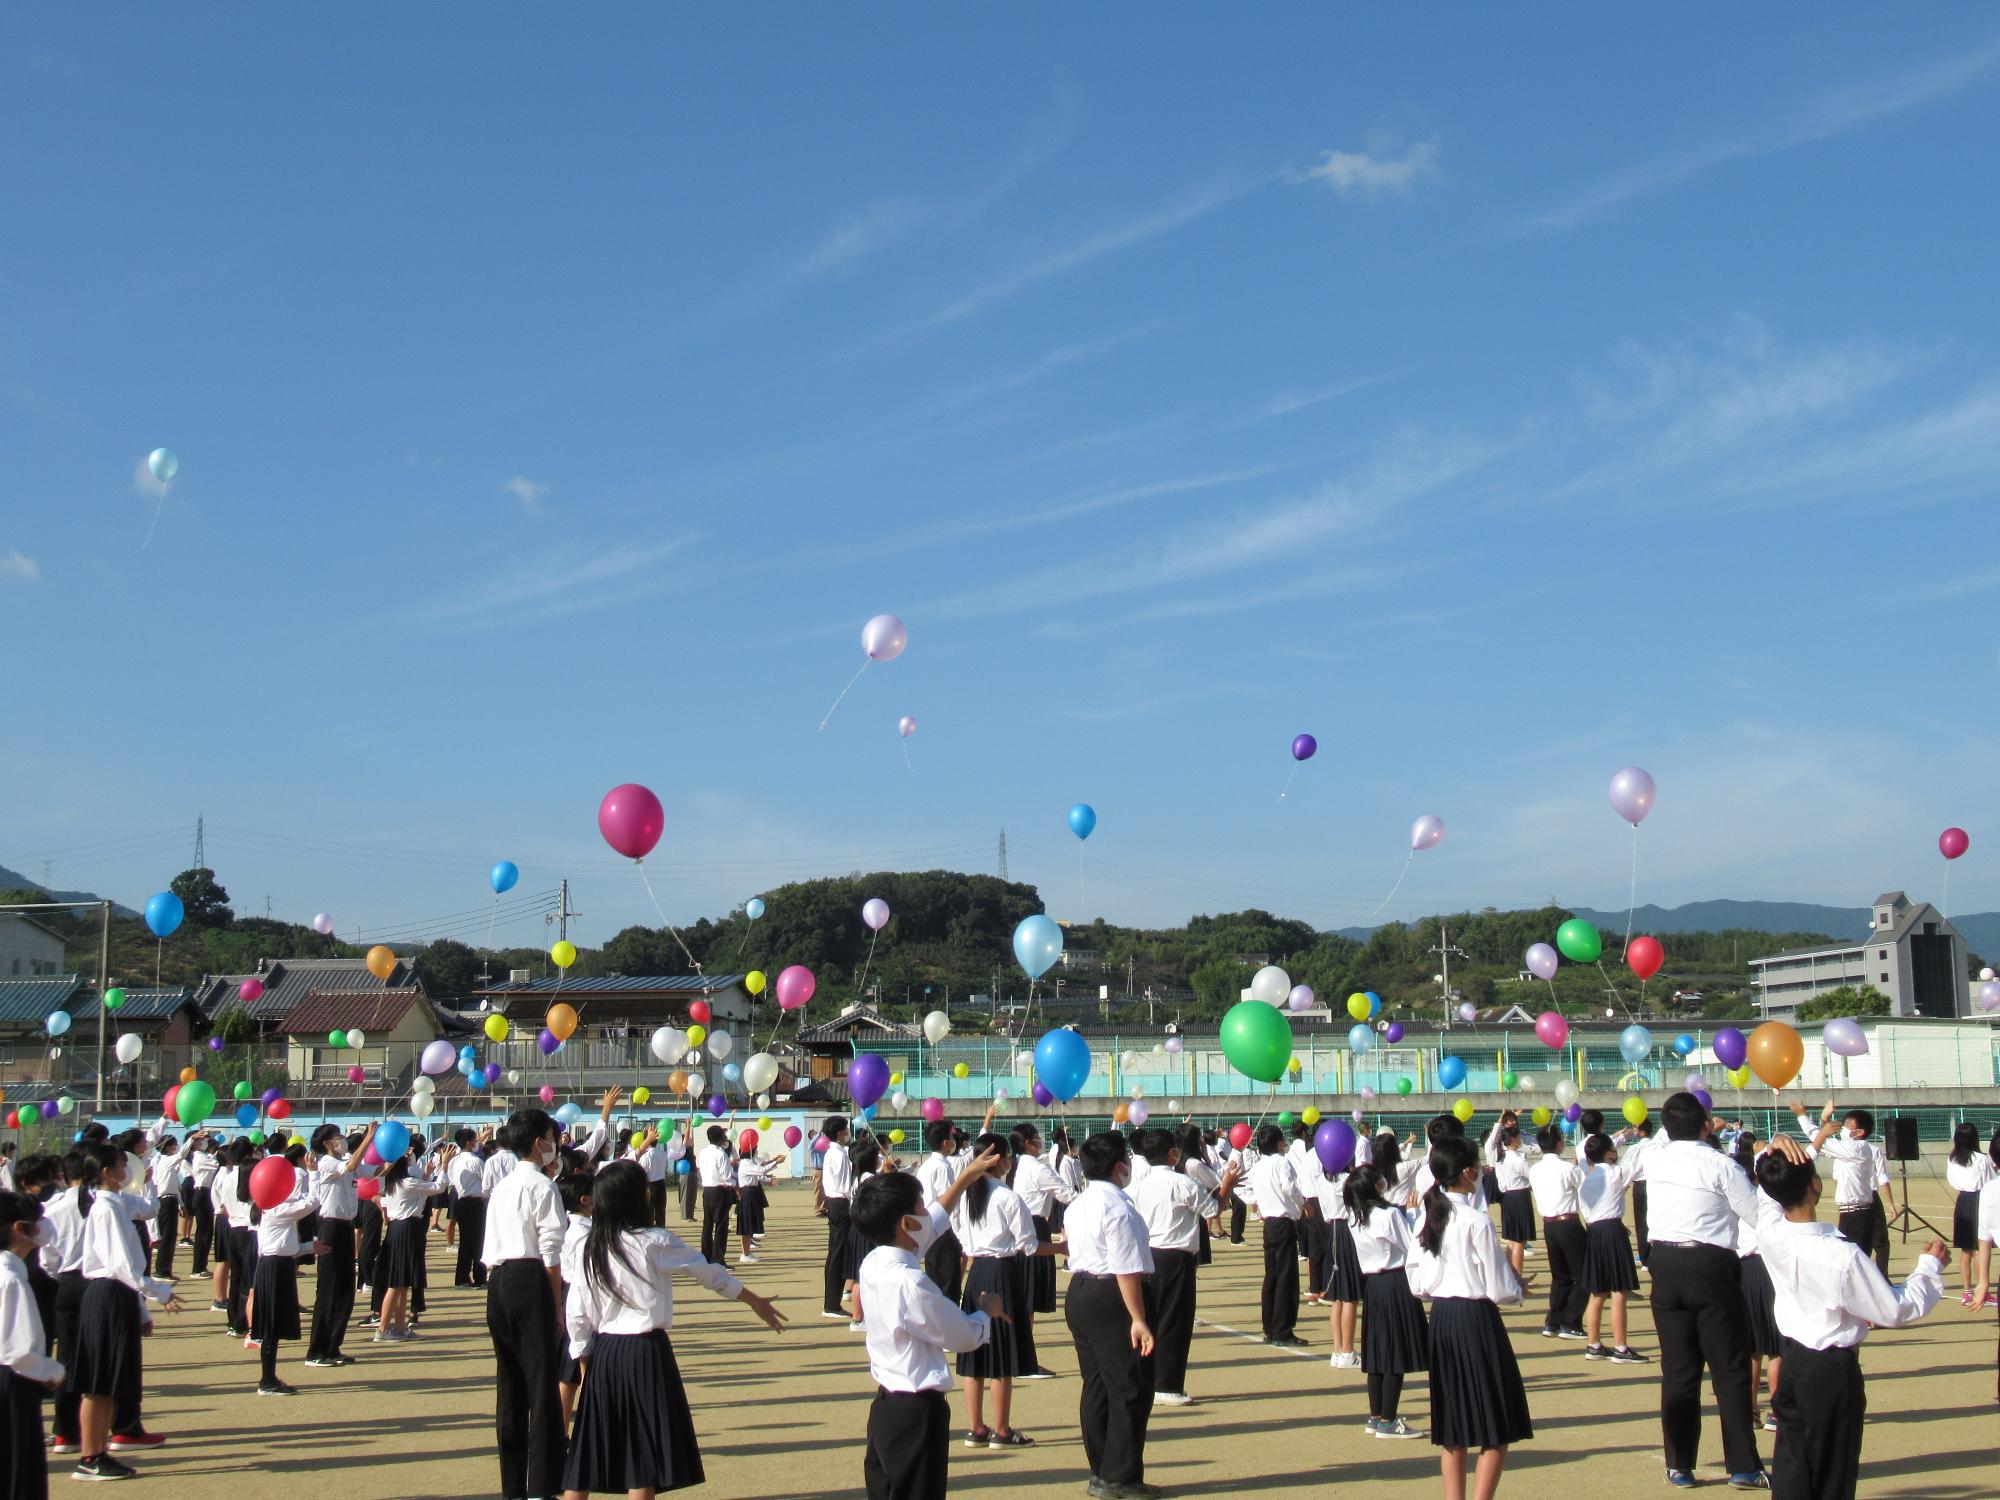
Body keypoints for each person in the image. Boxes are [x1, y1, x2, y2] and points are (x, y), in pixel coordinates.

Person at [560, 1159, 784, 1499]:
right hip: (645, 1352)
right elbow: (710, 1274)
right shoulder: (653, 1240)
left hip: (604, 1351)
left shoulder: (590, 1246)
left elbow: (576, 1312)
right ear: (636, 1197)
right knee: (642, 1452)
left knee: (588, 1444)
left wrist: (583, 1358)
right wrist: (753, 1300)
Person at [1754, 1136, 1943, 1500]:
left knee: (1793, 1462)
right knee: (1832, 1473)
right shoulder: (1839, 1256)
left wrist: (1771, 1148)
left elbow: (1768, 1194)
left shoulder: (1770, 1229)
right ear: (1815, 1185)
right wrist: (1928, 1270)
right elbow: (1893, 1309)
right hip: (1830, 1369)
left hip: (1794, 1360)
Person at [1631, 1090, 1767, 1491]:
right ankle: (1742, 1465)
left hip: (1666, 1265)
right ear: (1706, 1125)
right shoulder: (1719, 1164)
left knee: (1678, 1371)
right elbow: (1756, 1214)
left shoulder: (1653, 1156)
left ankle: (1679, 1464)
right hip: (1710, 1265)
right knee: (1729, 1370)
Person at [853, 1151, 1006, 1500]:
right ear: (905, 1224)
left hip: (887, 1406)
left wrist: (966, 1177)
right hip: (916, 1411)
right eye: (919, 1205)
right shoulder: (910, 1283)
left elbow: (934, 1219)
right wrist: (986, 1313)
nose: (926, 1210)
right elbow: (962, 1336)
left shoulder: (875, 1261)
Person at [1406, 1135, 1531, 1500]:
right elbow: (1498, 1286)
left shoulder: (1427, 1217)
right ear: (1467, 1173)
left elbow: (1416, 1280)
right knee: (1497, 1424)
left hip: (1442, 1318)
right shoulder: (1476, 1219)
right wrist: (1518, 1288)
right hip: (1476, 1318)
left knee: (1453, 1426)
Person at [67, 1143, 182, 1483]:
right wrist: (158, 1292)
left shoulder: (115, 1202)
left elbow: (148, 1209)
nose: (127, 1169)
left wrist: (141, 1307)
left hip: (119, 1295)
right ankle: (90, 1456)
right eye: (122, 1165)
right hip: (107, 1294)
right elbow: (121, 1265)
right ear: (108, 1172)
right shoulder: (105, 1208)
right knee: (99, 1381)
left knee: (110, 1382)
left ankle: (99, 1452)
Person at [1063, 1131, 1156, 1500]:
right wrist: (1138, 1317)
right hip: (1111, 1295)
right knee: (1129, 1388)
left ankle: (1103, 1470)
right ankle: (1120, 1477)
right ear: (1119, 1166)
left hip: (1082, 1291)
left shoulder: (1078, 1204)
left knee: (1097, 1385)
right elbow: (1126, 1268)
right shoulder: (1119, 1207)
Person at [483, 1107, 571, 1500]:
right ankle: (543, 1485)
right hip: (530, 1277)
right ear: (539, 1144)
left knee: (511, 1386)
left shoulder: (502, 1186)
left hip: (498, 1283)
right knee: (542, 1388)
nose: (555, 1146)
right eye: (552, 1138)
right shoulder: (542, 1186)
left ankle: (513, 1486)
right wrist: (557, 1309)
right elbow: (551, 1253)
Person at [1130, 1128, 1236, 1408]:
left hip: (1148, 1255)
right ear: (1172, 1153)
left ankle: (1149, 1379)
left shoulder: (1139, 1184)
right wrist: (1227, 1183)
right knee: (1174, 1321)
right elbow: (1214, 1210)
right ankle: (1167, 1384)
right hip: (1175, 1257)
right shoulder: (1181, 1183)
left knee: (1150, 1318)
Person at [950, 1132, 1040, 1449]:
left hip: (977, 1273)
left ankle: (976, 1428)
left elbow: (960, 1235)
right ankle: (1002, 1430)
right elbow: (1028, 1244)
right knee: (1001, 1358)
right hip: (1002, 1272)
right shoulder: (1007, 1196)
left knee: (974, 1354)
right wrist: (1061, 1248)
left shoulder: (966, 1195)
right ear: (999, 1161)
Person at [1344, 1162, 1427, 1439]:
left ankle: (1377, 1416)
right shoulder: (1387, 1213)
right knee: (1395, 1353)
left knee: (1378, 1352)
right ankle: (1388, 1420)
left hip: (1374, 1287)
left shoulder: (1354, 1216)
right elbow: (1411, 1244)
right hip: (1394, 1281)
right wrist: (1414, 1214)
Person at [2, 1190, 62, 1500]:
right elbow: (19, 1349)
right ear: (18, 1229)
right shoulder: (10, 1277)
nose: (44, 1227)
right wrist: (52, 1371)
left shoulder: (13, 1271)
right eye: (37, 1222)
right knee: (17, 1465)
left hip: (13, 1374)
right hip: (13, 1380)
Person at [304, 1122, 376, 1368]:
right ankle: (316, 1351)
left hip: (345, 1227)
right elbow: (352, 1165)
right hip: (330, 1228)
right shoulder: (326, 1163)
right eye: (338, 1137)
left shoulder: (345, 1161)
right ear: (327, 1143)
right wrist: (368, 1137)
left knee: (345, 1291)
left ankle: (333, 1347)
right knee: (328, 1290)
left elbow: (372, 1171)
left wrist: (395, 1157)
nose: (342, 1139)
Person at [249, 1151, 318, 1395]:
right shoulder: (275, 1210)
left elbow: (284, 1245)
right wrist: (313, 1172)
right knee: (271, 1326)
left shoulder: (268, 1210)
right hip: (274, 1269)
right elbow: (312, 1202)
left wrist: (309, 1247)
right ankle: (267, 1380)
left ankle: (269, 1378)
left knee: (273, 1327)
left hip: (277, 1265)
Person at [1729, 1132, 1784, 1434]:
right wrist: (1766, 1153)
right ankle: (1776, 1410)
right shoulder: (1765, 1196)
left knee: (1752, 1349)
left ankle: (1750, 1410)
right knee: (1776, 1346)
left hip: (1744, 1270)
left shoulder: (1732, 1199)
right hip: (1767, 1268)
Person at [1574, 1131, 1645, 1364]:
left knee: (1597, 1293)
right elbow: (1636, 1161)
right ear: (1607, 1153)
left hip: (1593, 1232)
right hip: (1612, 1231)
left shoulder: (1584, 1177)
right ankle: (1621, 1347)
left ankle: (1594, 1344)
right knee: (1618, 1292)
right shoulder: (1615, 1173)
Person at [1800, 1102, 1895, 1277]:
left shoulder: (1856, 1148)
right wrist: (1825, 1119)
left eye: (1848, 1126)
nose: (1843, 1128)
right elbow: (1826, 1141)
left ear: (1860, 1132)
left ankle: (1879, 1283)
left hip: (1856, 1214)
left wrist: (1801, 1115)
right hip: (1855, 1212)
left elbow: (1819, 1139)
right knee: (1854, 1264)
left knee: (1851, 1263)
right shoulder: (1851, 1149)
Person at [376, 1143, 448, 1341]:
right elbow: (438, 1187)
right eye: (406, 1160)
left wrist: (426, 1174)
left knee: (403, 1282)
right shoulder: (405, 1183)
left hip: (402, 1229)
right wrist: (445, 1165)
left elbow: (419, 1193)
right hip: (405, 1229)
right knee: (396, 1282)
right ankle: (382, 1329)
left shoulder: (395, 1183)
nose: (410, 1162)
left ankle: (400, 1328)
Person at [1526, 1124, 1585, 1340]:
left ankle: (1553, 1322)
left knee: (1560, 1277)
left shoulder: (1535, 1169)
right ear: (1559, 1144)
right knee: (1582, 1275)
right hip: (1568, 1222)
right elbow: (1585, 1188)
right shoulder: (1568, 1169)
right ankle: (1570, 1322)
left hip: (1549, 1225)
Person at [1249, 1124, 1306, 1347]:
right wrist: (1302, 1203)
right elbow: (1289, 1187)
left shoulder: (1258, 1166)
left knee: (1271, 1276)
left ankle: (1270, 1327)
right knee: (1286, 1277)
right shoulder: (1282, 1162)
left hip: (1269, 1222)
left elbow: (1250, 1192)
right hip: (1282, 1221)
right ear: (1276, 1142)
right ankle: (1282, 1329)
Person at [1944, 1121, 1995, 1304]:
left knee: (1966, 1249)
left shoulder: (1952, 1158)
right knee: (1982, 1248)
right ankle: (1983, 1288)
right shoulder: (1981, 1159)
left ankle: (1967, 1291)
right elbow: (1990, 1180)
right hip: (1979, 1200)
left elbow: (1951, 1180)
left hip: (1963, 1200)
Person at [1484, 1113, 1536, 1281]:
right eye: (1518, 1136)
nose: (1520, 1138)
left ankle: (1509, 1276)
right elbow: (1531, 1178)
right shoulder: (1516, 1159)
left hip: (1508, 1197)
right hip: (1520, 1197)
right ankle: (1517, 1278)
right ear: (1513, 1140)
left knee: (1512, 1239)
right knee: (1519, 1240)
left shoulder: (1500, 1158)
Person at [820, 1118, 855, 1320]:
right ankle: (831, 1304)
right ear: (840, 1133)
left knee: (835, 1252)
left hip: (835, 1203)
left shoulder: (834, 1152)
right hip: (841, 1203)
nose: (848, 1132)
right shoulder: (839, 1155)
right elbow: (844, 1186)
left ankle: (831, 1302)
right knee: (838, 1254)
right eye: (846, 1130)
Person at [449, 1128, 488, 1288]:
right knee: (478, 1241)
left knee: (466, 1242)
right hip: (474, 1202)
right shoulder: (474, 1161)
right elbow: (487, 1182)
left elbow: (452, 1180)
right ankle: (479, 1277)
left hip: (461, 1200)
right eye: (474, 1140)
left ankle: (462, 1278)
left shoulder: (454, 1161)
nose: (476, 1142)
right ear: (468, 1143)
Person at [696, 1125, 737, 1266]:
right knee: (721, 1226)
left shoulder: (703, 1152)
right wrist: (735, 1185)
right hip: (720, 1191)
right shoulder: (720, 1154)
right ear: (721, 1139)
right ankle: (718, 1259)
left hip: (707, 1191)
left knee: (707, 1225)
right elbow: (727, 1176)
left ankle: (705, 1256)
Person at [145, 1138, 179, 1281]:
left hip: (172, 1199)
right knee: (165, 1236)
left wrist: (180, 1203)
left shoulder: (167, 1162)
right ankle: (161, 1270)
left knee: (171, 1236)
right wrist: (190, 1141)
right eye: (173, 1145)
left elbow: (176, 1185)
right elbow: (181, 1155)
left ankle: (166, 1269)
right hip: (164, 1200)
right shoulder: (165, 1160)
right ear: (166, 1147)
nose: (176, 1148)